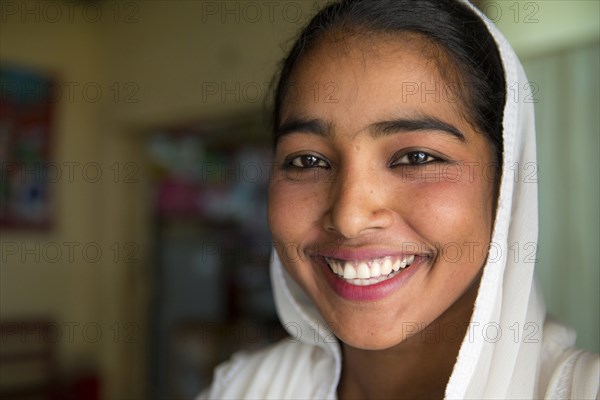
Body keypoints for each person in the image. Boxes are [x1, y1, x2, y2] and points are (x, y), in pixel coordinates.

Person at [198, 0, 600, 398]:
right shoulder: (246, 388)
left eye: (416, 158)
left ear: (505, 180)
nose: (350, 217)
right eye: (308, 160)